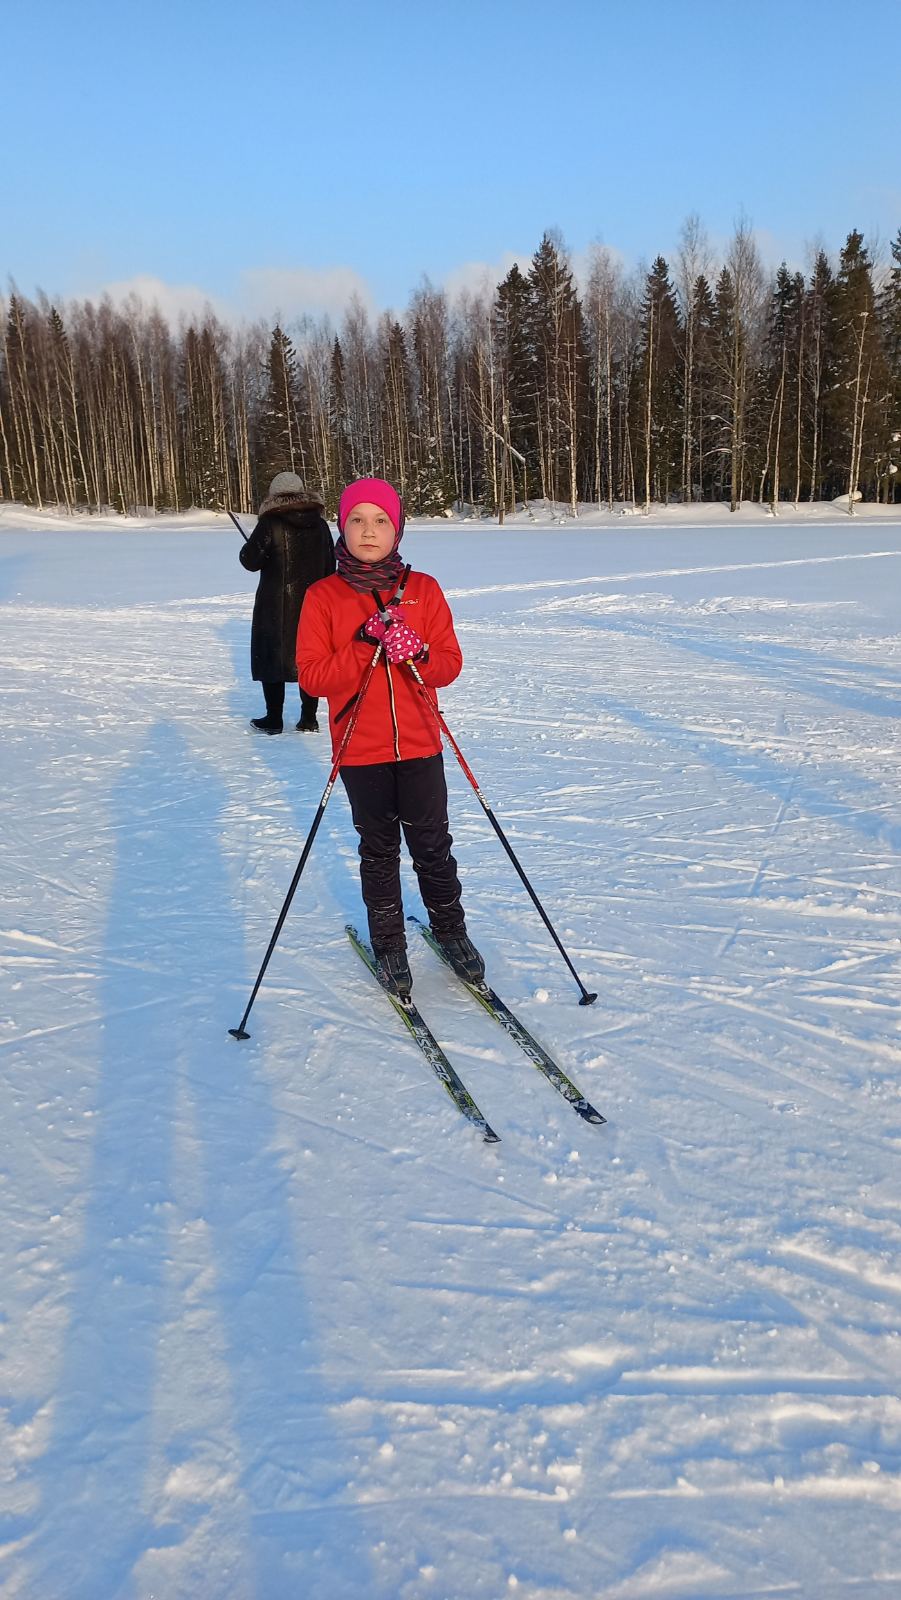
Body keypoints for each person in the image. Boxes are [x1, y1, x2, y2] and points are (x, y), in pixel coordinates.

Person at [296, 476, 484, 999]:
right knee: (379, 851)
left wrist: (417, 651)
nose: (368, 530)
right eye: (357, 519)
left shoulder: (423, 590)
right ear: (342, 526)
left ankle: (452, 932)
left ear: (397, 528)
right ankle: (389, 943)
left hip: (422, 743)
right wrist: (362, 645)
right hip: (360, 749)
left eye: (380, 520)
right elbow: (311, 676)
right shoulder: (324, 596)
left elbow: (450, 664)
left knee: (432, 846)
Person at [239, 471, 335, 733]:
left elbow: (250, 561)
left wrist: (252, 545)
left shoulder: (270, 523)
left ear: (274, 495)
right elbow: (330, 565)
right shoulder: (321, 525)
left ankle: (274, 719)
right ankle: (309, 718)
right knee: (309, 657)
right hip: (314, 604)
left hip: (274, 606)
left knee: (272, 657)